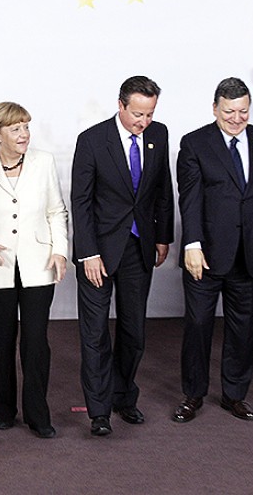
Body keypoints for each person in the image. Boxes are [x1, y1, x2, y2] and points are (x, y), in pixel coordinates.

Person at [71, 76, 175, 436]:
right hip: (98, 251)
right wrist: (88, 252)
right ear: (120, 105)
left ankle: (124, 396)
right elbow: (81, 201)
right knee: (95, 333)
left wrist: (163, 237)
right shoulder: (92, 140)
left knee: (134, 331)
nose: (143, 122)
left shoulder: (159, 135)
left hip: (139, 246)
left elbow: (163, 188)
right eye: (137, 114)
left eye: (149, 114)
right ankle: (99, 411)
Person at [175, 77, 253, 423]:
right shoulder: (194, 143)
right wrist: (192, 244)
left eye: (243, 111)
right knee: (198, 326)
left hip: (249, 254)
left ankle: (235, 395)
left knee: (243, 329)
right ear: (215, 109)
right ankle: (193, 394)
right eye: (229, 111)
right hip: (205, 255)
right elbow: (189, 198)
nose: (236, 118)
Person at [0, 102, 68, 438]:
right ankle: (4, 410)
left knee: (36, 344)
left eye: (26, 127)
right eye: (16, 128)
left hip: (39, 265)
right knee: (0, 342)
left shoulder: (44, 162)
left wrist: (60, 251)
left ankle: (38, 415)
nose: (24, 134)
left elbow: (56, 211)